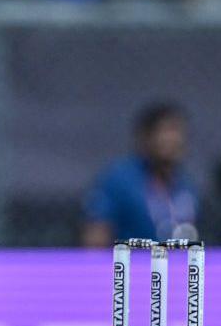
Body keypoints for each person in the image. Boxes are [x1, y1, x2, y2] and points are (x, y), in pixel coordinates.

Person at [83, 103, 199, 247]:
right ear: (146, 137)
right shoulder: (119, 180)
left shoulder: (186, 186)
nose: (174, 139)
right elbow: (96, 238)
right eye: (165, 131)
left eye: (178, 131)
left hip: (174, 265)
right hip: (131, 266)